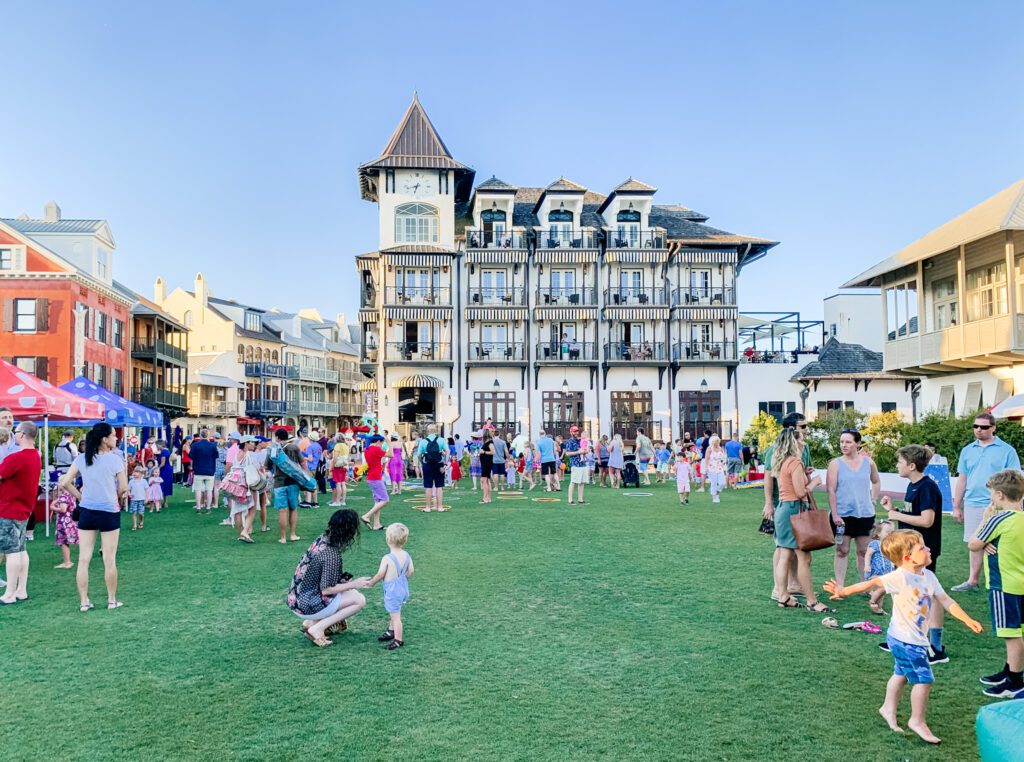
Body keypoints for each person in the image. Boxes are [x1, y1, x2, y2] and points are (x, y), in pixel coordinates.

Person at [823, 529, 983, 745]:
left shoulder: (929, 576)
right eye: (922, 548)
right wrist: (843, 591)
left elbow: (945, 600)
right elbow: (871, 583)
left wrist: (967, 619)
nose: (929, 549)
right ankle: (917, 720)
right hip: (905, 640)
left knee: (901, 673)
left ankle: (888, 708)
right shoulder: (900, 577)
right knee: (924, 680)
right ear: (908, 558)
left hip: (911, 639)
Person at [881, 444, 948, 662]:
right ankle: (903, 639)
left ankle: (936, 647)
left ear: (911, 465)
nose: (897, 465)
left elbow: (926, 520)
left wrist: (895, 515)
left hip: (923, 551)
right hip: (908, 551)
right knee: (906, 591)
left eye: (900, 462)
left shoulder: (927, 487)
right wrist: (895, 510)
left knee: (930, 594)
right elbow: (914, 514)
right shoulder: (913, 486)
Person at [59, 422, 129, 612]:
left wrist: (81, 497)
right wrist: (120, 495)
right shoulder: (115, 460)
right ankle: (111, 600)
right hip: (109, 512)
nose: (116, 438)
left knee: (83, 559)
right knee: (109, 558)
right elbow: (123, 488)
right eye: (114, 435)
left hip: (87, 511)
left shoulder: (82, 459)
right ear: (104, 439)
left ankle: (84, 602)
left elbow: (64, 482)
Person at [968, 469, 1024, 699]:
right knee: (1018, 632)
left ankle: (1014, 682)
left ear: (1000, 495)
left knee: (1011, 635)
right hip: (1020, 583)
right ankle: (1010, 671)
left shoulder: (998, 518)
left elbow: (973, 543)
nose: (990, 498)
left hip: (1004, 585)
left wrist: (985, 520)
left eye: (991, 494)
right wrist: (989, 543)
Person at [765, 428, 832, 613]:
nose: (804, 441)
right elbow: (801, 492)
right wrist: (815, 482)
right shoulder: (795, 462)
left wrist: (804, 473)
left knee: (784, 555)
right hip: (794, 510)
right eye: (801, 438)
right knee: (804, 557)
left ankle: (783, 595)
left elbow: (788, 484)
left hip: (783, 509)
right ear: (794, 442)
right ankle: (811, 601)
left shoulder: (781, 461)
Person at [952, 413, 1021, 592]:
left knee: (998, 543)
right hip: (972, 503)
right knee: (973, 542)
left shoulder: (1007, 450)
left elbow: (1015, 480)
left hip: (999, 504)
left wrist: (1016, 504)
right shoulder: (967, 450)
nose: (978, 430)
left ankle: (1001, 581)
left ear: (993, 428)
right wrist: (956, 506)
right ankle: (972, 581)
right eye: (975, 426)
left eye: (983, 427)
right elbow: (962, 479)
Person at [287, 509, 371, 648]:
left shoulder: (322, 539)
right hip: (307, 604)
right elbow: (326, 589)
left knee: (351, 593)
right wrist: (355, 583)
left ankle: (310, 624)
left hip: (296, 598)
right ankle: (317, 629)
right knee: (359, 600)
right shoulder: (331, 554)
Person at [763, 412, 812, 602]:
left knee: (793, 546)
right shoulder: (775, 448)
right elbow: (768, 476)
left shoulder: (803, 448)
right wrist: (769, 503)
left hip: (796, 502)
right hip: (783, 501)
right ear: (792, 429)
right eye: (803, 426)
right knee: (783, 547)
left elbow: (800, 473)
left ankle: (792, 585)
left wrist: (805, 474)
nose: (806, 430)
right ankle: (779, 588)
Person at [826, 429, 881, 586]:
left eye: (848, 442)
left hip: (865, 514)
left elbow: (876, 481)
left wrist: (873, 499)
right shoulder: (835, 464)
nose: (844, 445)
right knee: (842, 551)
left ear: (857, 443)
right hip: (842, 515)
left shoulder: (869, 463)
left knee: (864, 552)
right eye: (842, 441)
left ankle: (865, 585)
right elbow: (830, 490)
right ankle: (840, 585)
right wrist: (835, 515)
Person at [0, 421, 42, 605]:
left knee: (12, 552)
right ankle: (21, 590)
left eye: (16, 432)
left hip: (9, 509)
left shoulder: (16, 458)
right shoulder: (36, 456)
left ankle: (9, 594)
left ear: (23, 434)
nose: (13, 435)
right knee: (21, 550)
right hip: (24, 509)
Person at [367, 522, 415, 651]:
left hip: (392, 590)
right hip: (403, 588)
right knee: (395, 611)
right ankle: (391, 630)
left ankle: (398, 640)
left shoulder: (387, 558)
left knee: (396, 616)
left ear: (388, 539)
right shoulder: (407, 555)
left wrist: (371, 583)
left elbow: (380, 574)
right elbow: (410, 571)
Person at [271, 428, 304, 545]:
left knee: (282, 510)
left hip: (279, 483)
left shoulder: (274, 449)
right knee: (293, 509)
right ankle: (293, 534)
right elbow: (302, 462)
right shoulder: (294, 448)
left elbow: (267, 465)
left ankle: (283, 537)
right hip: (293, 482)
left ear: (277, 437)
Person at [864, 520, 896, 615]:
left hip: (886, 572)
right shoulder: (875, 543)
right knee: (880, 589)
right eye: (887, 532)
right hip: (876, 571)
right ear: (878, 534)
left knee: (882, 593)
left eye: (892, 532)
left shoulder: (891, 545)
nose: (890, 534)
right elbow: (868, 554)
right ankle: (873, 602)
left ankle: (879, 608)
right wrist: (867, 565)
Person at [417, 424, 447, 513]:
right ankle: (440, 507)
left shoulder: (423, 441)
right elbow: (448, 451)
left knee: (428, 486)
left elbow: (419, 455)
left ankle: (427, 507)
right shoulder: (441, 440)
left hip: (427, 465)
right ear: (436, 431)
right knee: (439, 486)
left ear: (427, 431)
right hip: (439, 464)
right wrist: (445, 464)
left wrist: (422, 462)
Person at [361, 435, 389, 530]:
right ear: (378, 442)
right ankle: (367, 516)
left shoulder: (367, 449)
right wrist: (389, 443)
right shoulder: (375, 449)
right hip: (376, 477)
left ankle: (376, 524)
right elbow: (391, 454)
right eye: (381, 443)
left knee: (378, 501)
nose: (381, 445)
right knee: (385, 500)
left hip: (372, 477)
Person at [189, 428, 218, 513]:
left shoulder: (195, 445)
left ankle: (198, 508)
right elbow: (216, 456)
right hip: (210, 470)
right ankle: (208, 507)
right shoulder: (212, 445)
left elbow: (191, 457)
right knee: (209, 490)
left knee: (198, 490)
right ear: (208, 435)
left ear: (200, 435)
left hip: (198, 470)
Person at [564, 425, 587, 506]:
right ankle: (570, 500)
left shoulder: (580, 440)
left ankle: (580, 499)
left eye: (577, 431)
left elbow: (585, 449)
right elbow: (567, 453)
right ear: (571, 432)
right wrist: (578, 452)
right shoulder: (570, 441)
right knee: (573, 481)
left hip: (582, 463)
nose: (576, 432)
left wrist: (585, 452)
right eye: (574, 431)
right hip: (575, 464)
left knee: (582, 482)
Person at [703, 436, 728, 504]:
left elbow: (723, 459)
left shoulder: (721, 449)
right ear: (713, 442)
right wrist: (706, 468)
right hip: (711, 468)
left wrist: (725, 467)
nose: (717, 442)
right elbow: (706, 459)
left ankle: (716, 492)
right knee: (713, 483)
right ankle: (714, 497)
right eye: (716, 441)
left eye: (718, 441)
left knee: (722, 483)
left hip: (720, 468)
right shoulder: (709, 448)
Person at [302, 430, 323, 509]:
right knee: (314, 484)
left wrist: (303, 457)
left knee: (309, 484)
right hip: (316, 467)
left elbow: (310, 459)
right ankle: (315, 502)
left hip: (310, 467)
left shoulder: (310, 446)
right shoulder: (319, 446)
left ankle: (308, 501)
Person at [329, 433, 350, 507]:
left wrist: (332, 466)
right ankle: (343, 501)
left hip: (338, 466)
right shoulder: (346, 446)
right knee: (343, 483)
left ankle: (337, 501)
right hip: (344, 466)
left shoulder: (337, 446)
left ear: (337, 439)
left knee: (338, 484)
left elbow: (335, 458)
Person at [128, 466, 148, 531]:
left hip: (141, 499)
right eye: (134, 472)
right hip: (134, 500)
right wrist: (129, 494)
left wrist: (146, 498)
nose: (135, 473)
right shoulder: (131, 481)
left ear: (141, 474)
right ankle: (134, 525)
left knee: (141, 513)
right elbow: (128, 489)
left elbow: (147, 490)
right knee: (134, 512)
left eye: (137, 472)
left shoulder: (144, 481)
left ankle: (141, 521)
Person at [479, 430, 495, 504]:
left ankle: (485, 498)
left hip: (487, 463)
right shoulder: (487, 443)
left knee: (484, 480)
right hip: (485, 463)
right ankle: (488, 498)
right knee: (486, 480)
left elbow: (493, 452)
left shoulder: (489, 443)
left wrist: (484, 452)